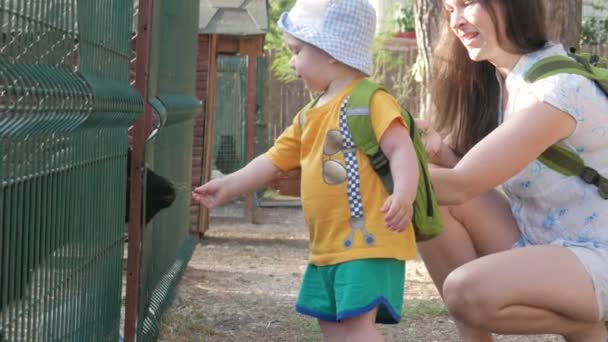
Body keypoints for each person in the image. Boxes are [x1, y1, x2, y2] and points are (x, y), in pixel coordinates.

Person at [192, 0, 421, 340]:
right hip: (326, 247)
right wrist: (229, 186)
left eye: (297, 51)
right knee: (330, 325)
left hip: (369, 241)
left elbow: (401, 148)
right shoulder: (308, 114)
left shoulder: (371, 100)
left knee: (358, 328)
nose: (292, 61)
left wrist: (404, 194)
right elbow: (272, 160)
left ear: (330, 49)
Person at [415, 0, 608, 341]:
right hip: (547, 241)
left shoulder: (556, 90)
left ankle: (584, 327)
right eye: (449, 10)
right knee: (432, 204)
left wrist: (367, 167)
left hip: (598, 255)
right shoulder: (507, 81)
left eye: (467, 4)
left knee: (463, 290)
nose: (457, 21)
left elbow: (462, 185)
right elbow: (465, 183)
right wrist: (438, 153)